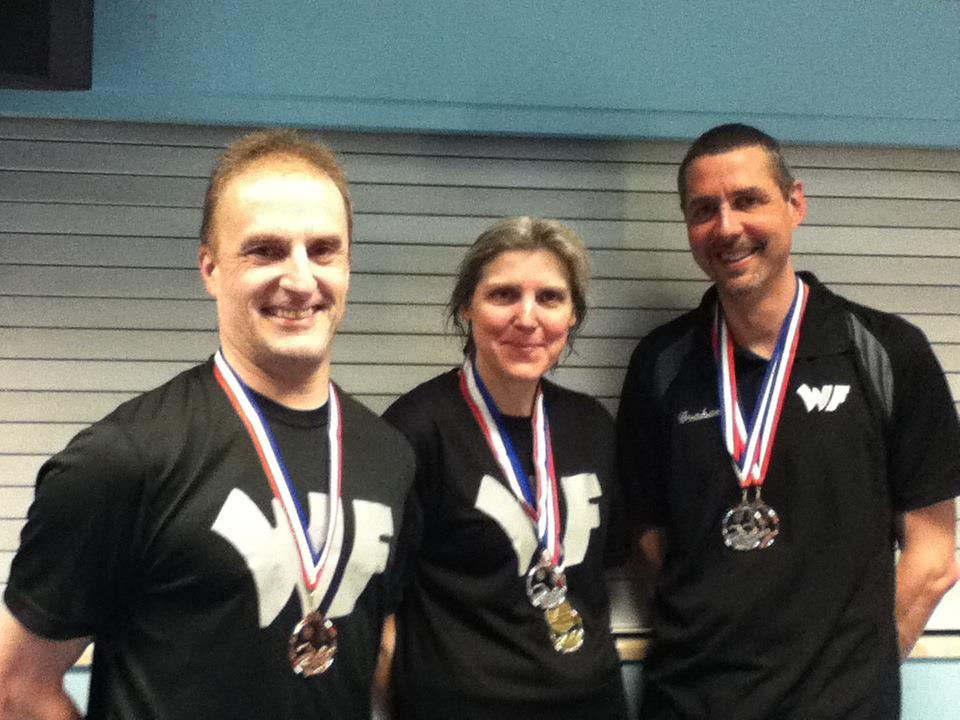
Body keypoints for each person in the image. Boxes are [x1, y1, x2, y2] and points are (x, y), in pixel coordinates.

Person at [0, 129, 415, 720]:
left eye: (323, 250)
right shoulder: (123, 459)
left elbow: (374, 646)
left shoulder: (390, 455)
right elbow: (16, 687)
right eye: (265, 250)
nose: (301, 280)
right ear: (211, 268)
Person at [616, 123, 960, 719]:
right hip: (688, 705)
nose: (727, 227)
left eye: (748, 200)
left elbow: (933, 553)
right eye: (704, 209)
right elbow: (648, 548)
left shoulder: (886, 351)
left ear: (795, 203)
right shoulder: (662, 363)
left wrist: (855, 678)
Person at [382, 217, 629, 719]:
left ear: (572, 315)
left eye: (550, 298)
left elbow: (602, 570)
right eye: (503, 295)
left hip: (592, 704)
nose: (527, 318)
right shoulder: (416, 429)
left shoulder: (592, 426)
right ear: (467, 306)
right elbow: (380, 607)